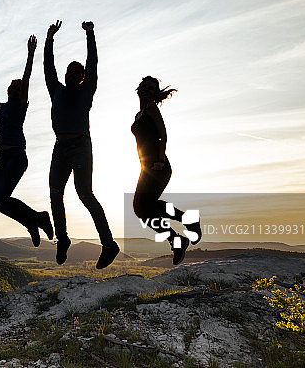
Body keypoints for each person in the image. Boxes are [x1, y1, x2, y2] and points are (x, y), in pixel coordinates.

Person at [44, 20, 119, 268]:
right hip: (60, 148)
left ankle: (109, 244)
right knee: (55, 193)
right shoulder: (56, 89)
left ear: (83, 76)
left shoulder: (87, 89)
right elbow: (48, 68)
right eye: (70, 71)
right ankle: (63, 239)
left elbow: (94, 62)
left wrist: (90, 34)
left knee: (85, 193)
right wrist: (49, 39)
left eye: (77, 71)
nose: (73, 73)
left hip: (80, 147)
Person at [0, 35, 54, 247]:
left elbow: (26, 79)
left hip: (16, 156)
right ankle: (32, 220)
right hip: (3, 157)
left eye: (17, 88)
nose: (14, 88)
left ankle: (37, 219)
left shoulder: (20, 106)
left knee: (1, 197)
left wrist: (30, 54)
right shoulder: (4, 107)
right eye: (11, 86)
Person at [131, 76, 202, 265]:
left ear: (155, 93)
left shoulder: (151, 108)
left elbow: (162, 134)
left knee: (141, 207)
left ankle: (181, 232)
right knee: (143, 209)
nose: (146, 89)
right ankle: (180, 235)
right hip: (147, 167)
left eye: (151, 87)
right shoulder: (138, 114)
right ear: (138, 89)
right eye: (144, 86)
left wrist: (161, 159)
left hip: (158, 165)